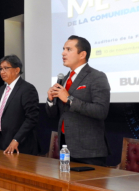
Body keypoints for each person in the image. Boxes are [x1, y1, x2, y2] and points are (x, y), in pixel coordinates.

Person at [46, 35, 111, 166]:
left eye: (68, 49)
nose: (63, 53)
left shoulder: (97, 76)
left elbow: (101, 111)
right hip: (66, 148)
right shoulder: (64, 79)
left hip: (89, 152)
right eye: (63, 49)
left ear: (82, 54)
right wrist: (50, 100)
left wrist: (69, 99)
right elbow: (54, 115)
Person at [0, 55, 40, 155]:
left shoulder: (27, 89)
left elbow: (31, 118)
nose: (2, 72)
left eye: (6, 68)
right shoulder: (1, 89)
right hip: (1, 143)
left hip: (20, 146)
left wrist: (16, 140)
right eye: (1, 69)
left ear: (17, 70)